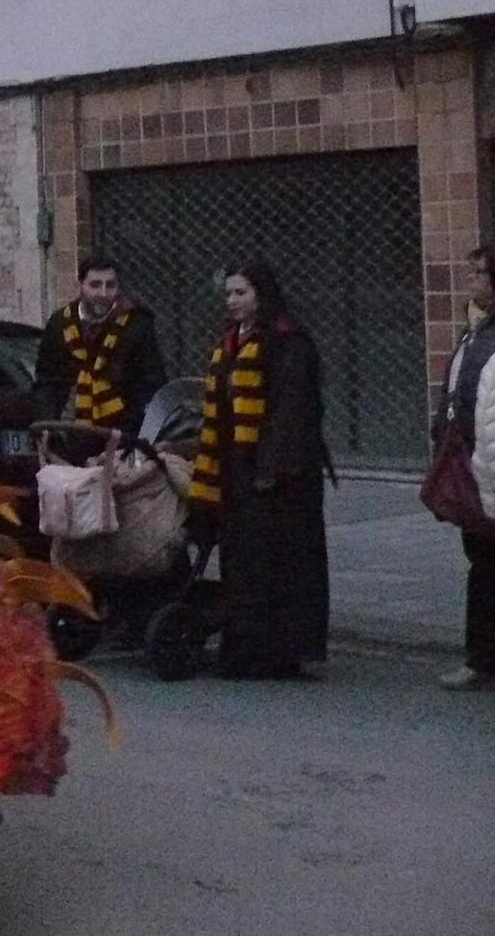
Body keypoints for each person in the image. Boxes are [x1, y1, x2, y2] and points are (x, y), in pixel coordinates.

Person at [186, 260, 330, 679]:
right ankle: (247, 650)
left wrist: (270, 467)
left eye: (240, 293)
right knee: (244, 564)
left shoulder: (289, 342)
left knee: (283, 565)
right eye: (228, 294)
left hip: (282, 477)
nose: (232, 302)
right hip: (237, 470)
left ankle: (281, 653)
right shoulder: (230, 342)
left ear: (260, 295)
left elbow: (292, 411)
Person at [434, 245, 495, 690]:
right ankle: (481, 658)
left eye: (479, 272)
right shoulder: (474, 330)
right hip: (477, 467)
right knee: (483, 565)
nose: (471, 280)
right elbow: (456, 394)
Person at [33, 256, 168, 435]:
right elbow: (47, 381)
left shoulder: (137, 324)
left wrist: (131, 435)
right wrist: (47, 425)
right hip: (68, 429)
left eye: (110, 285)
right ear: (80, 285)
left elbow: (149, 383)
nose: (103, 294)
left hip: (121, 430)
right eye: (95, 285)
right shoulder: (59, 324)